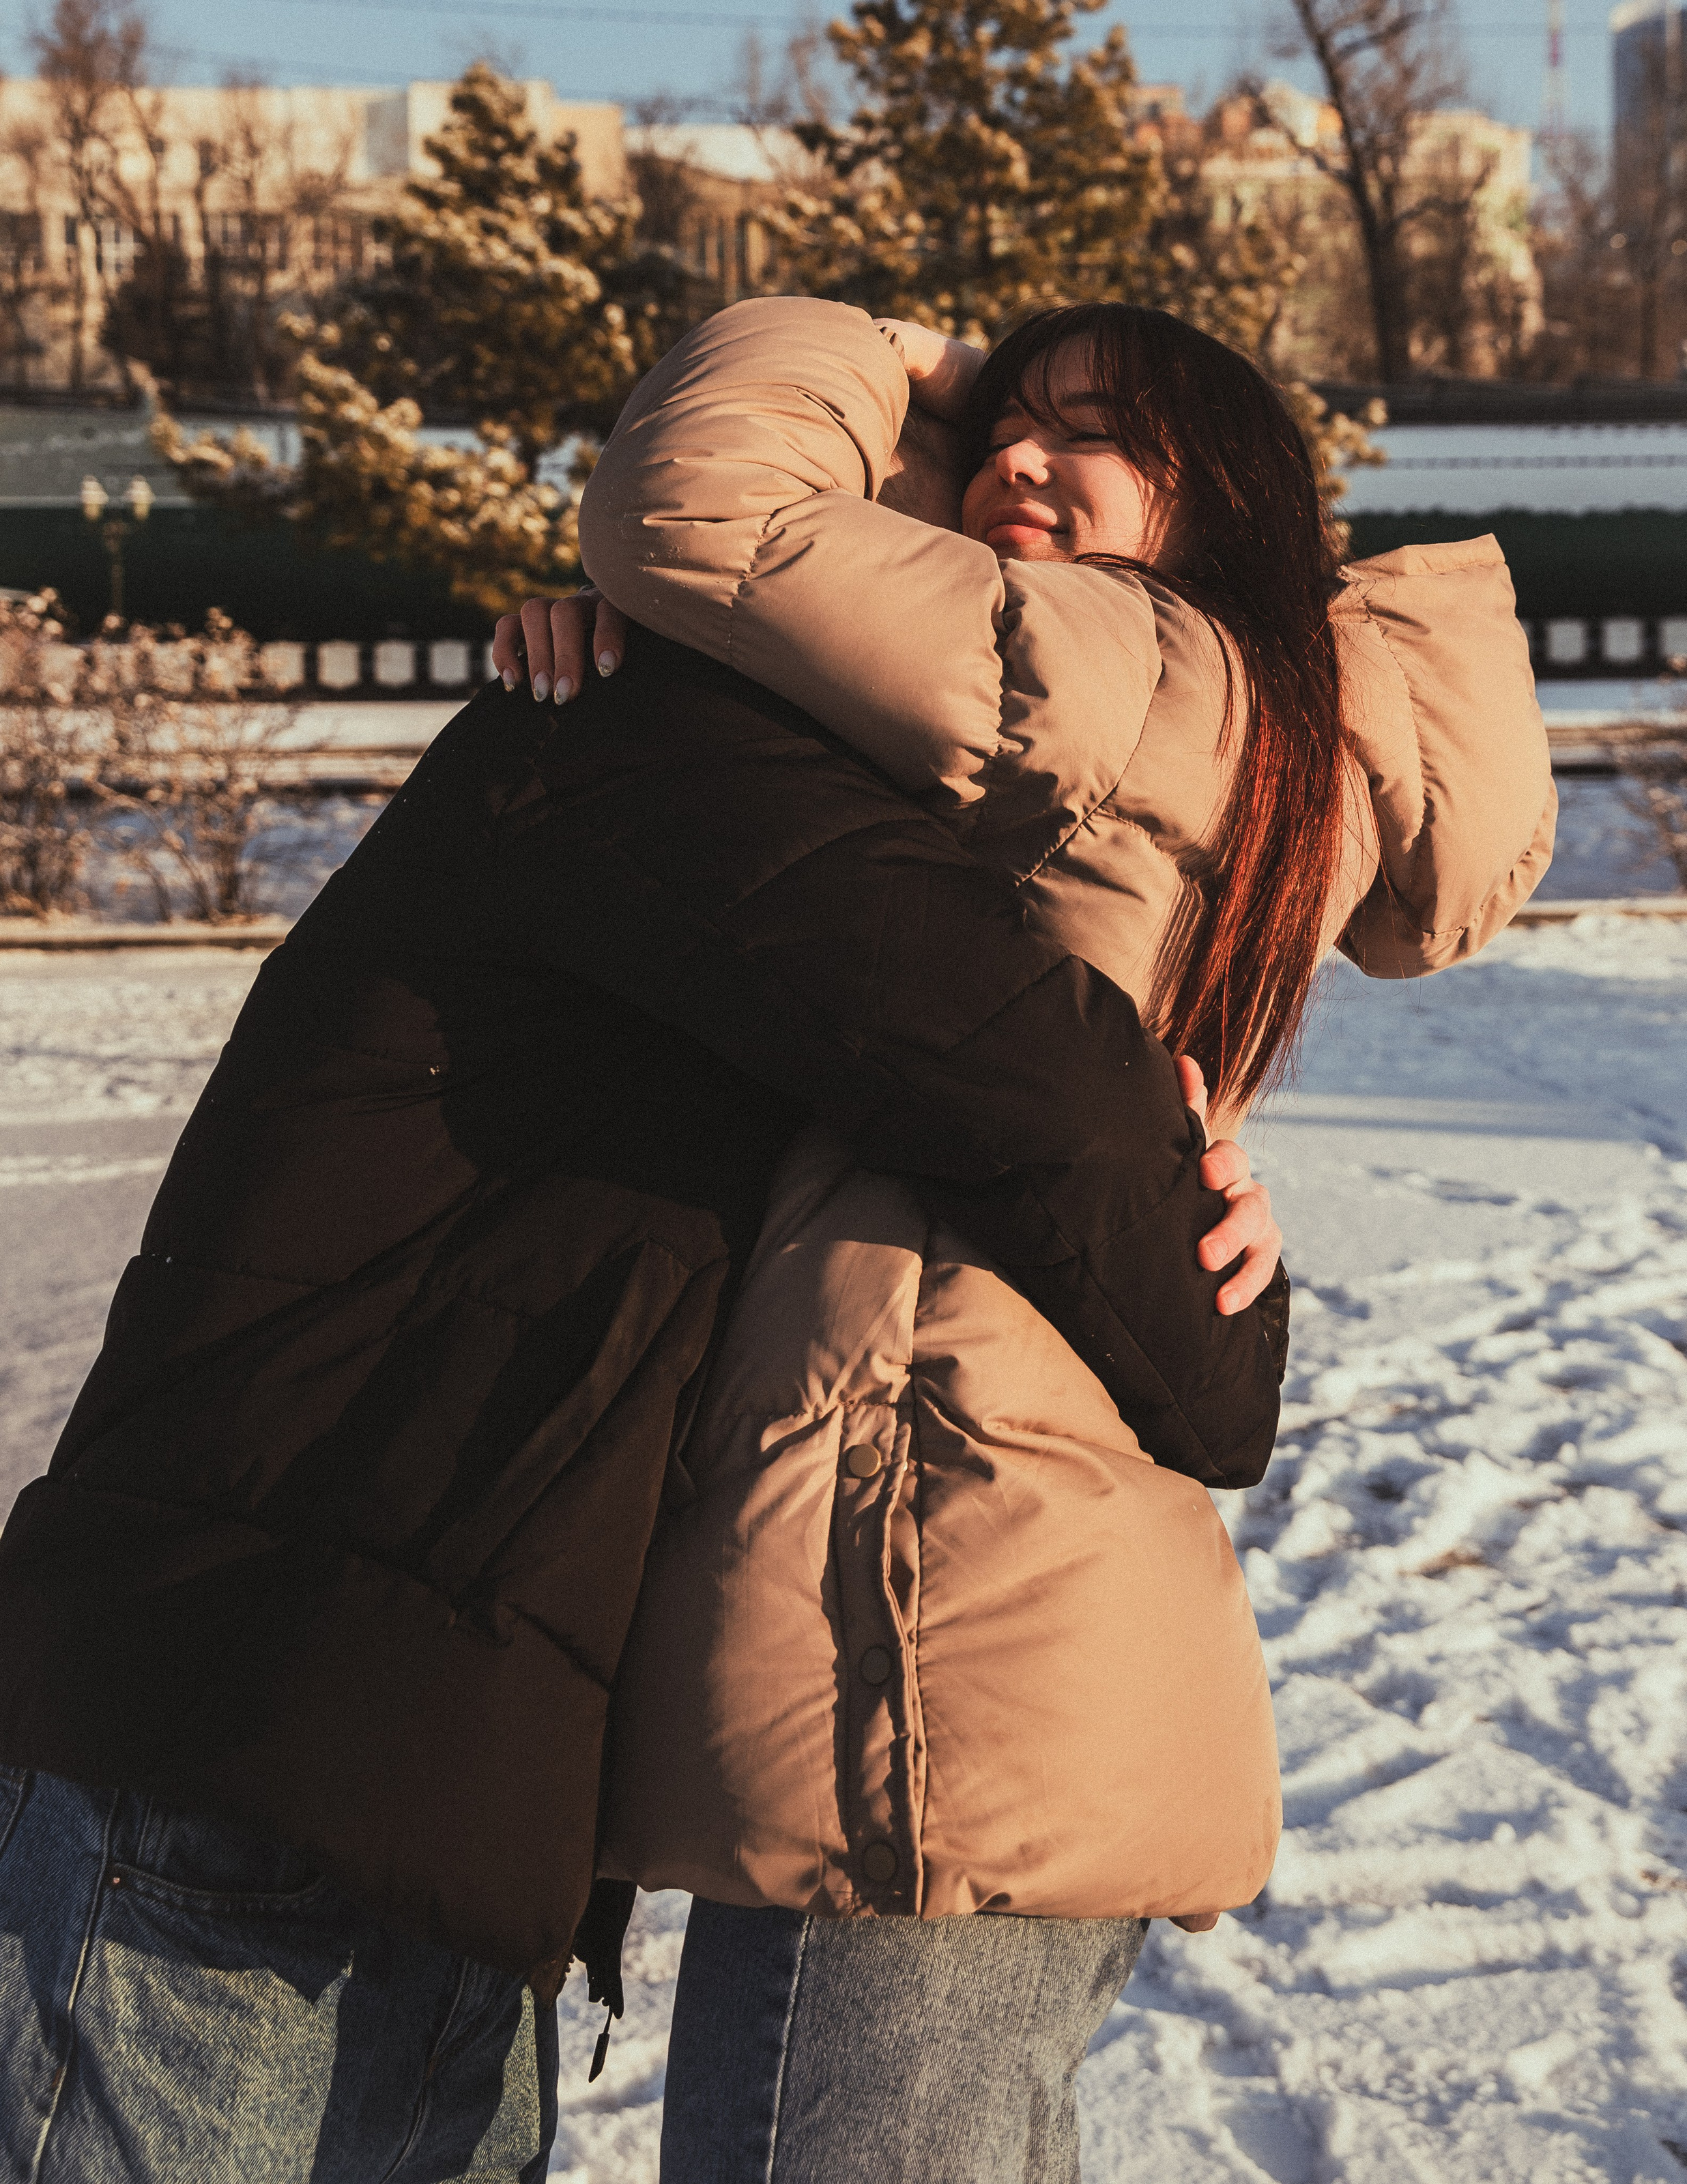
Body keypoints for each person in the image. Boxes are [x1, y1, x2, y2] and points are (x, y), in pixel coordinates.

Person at [0, 435, 1287, 2174]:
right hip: (215, 1749)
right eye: (929, 522)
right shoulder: (651, 730)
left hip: (436, 1807)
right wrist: (1231, 1299)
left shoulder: (779, 796)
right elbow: (1044, 1102)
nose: (983, 538)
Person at [504, 293, 1556, 2181]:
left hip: (925, 1609)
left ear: (1218, 497)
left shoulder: (1124, 665)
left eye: (1094, 434)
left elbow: (708, 515)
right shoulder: (1183, 703)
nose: (1017, 460)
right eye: (1003, 426)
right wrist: (618, 657)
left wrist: (879, 346)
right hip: (1008, 1594)